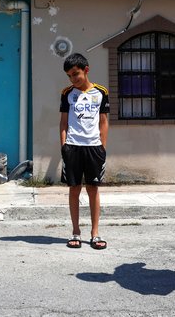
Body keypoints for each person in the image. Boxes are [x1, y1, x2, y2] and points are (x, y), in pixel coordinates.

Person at [59, 53, 109, 250]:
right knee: (74, 189)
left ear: (86, 70)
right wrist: (64, 146)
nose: (73, 79)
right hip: (72, 147)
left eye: (76, 74)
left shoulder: (101, 92)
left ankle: (95, 233)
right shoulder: (67, 93)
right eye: (69, 76)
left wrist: (102, 147)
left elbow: (104, 122)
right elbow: (63, 122)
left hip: (93, 147)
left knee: (93, 189)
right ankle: (75, 232)